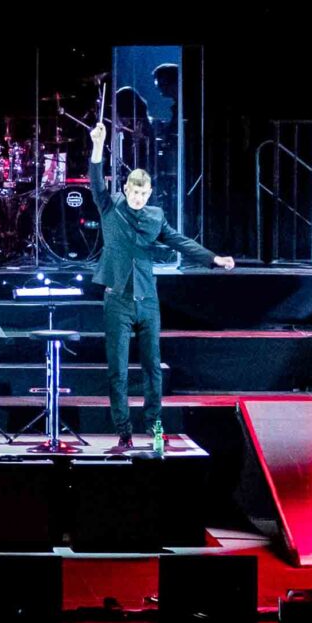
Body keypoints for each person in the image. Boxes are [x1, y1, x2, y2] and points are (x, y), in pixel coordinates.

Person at [86, 122, 235, 448]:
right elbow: (95, 181)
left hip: (148, 300)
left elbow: (180, 241)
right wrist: (97, 146)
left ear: (150, 193)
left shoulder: (155, 216)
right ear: (125, 189)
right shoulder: (110, 207)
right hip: (117, 299)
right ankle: (124, 432)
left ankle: (154, 426)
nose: (138, 198)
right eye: (134, 192)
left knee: (153, 368)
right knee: (118, 371)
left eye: (143, 193)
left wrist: (213, 258)